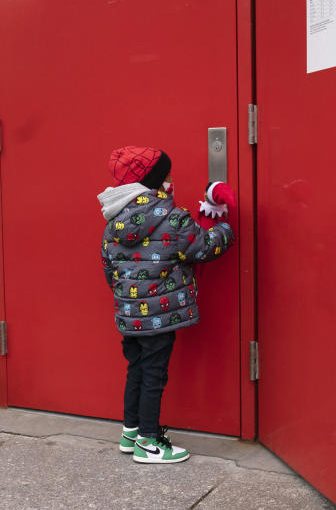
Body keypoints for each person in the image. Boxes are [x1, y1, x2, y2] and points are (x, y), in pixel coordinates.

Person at [98, 146, 235, 464]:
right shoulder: (172, 217)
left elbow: (109, 269)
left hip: (129, 314)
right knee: (154, 375)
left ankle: (130, 432)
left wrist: (128, 299)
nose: (172, 181)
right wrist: (225, 227)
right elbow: (203, 247)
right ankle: (148, 443)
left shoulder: (113, 219)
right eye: (167, 175)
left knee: (137, 370)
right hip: (159, 315)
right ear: (155, 181)